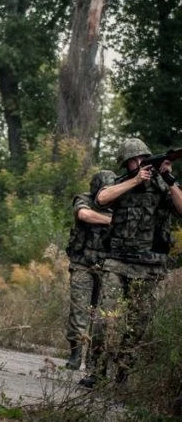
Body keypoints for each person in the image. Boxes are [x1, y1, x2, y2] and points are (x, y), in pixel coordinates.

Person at [80, 138, 182, 387]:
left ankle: (123, 374)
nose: (138, 163)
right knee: (105, 319)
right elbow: (101, 199)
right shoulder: (121, 183)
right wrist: (135, 181)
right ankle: (97, 371)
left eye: (141, 159)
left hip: (149, 267)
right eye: (133, 161)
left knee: (138, 323)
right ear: (127, 164)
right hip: (117, 262)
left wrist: (168, 180)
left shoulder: (162, 186)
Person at [63, 170, 115, 370]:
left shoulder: (119, 204)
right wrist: (111, 220)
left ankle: (95, 358)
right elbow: (84, 214)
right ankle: (76, 353)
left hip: (107, 266)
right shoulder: (83, 199)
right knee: (79, 309)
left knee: (100, 314)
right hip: (82, 264)